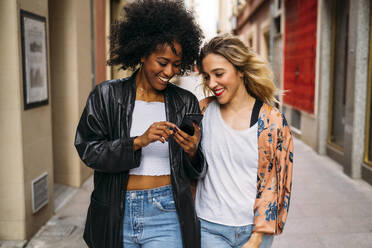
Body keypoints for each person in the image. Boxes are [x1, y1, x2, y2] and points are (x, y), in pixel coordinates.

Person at [74, 1, 206, 247]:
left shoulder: (185, 101)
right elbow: (88, 150)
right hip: (117, 209)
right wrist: (138, 142)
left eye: (176, 65)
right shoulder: (106, 95)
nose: (169, 71)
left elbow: (196, 169)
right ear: (143, 54)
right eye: (162, 62)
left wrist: (192, 152)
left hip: (167, 211)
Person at [195, 35, 294, 248]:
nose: (212, 83)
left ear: (240, 70)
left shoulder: (272, 121)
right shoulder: (201, 112)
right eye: (207, 76)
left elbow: (277, 183)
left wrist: (258, 236)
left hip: (254, 230)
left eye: (219, 74)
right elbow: (190, 167)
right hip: (209, 226)